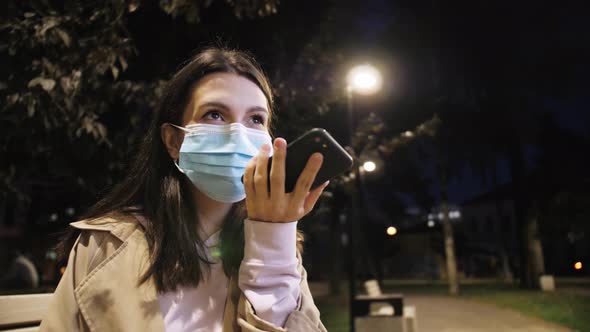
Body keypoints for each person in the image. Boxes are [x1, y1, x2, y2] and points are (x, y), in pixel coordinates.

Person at [40, 47, 328, 332]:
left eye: (255, 119)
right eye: (215, 114)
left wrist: (272, 240)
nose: (238, 133)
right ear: (173, 141)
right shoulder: (104, 244)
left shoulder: (280, 249)